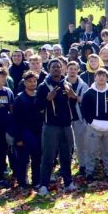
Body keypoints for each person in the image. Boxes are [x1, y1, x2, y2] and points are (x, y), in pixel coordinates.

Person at [39, 60, 79, 190]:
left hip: (66, 125)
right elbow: (37, 107)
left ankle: (68, 183)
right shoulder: (43, 86)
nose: (56, 69)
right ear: (49, 69)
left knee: (66, 156)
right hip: (51, 126)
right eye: (53, 67)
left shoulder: (67, 84)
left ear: (62, 69)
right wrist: (47, 99)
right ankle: (44, 185)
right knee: (48, 157)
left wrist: (73, 96)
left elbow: (72, 104)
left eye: (58, 67)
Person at [81, 68, 108, 178]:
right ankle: (89, 172)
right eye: (99, 75)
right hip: (93, 127)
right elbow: (84, 109)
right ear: (95, 78)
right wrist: (91, 122)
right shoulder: (88, 93)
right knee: (91, 151)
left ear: (107, 78)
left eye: (104, 76)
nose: (101, 78)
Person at [10, 71, 45, 193]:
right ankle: (22, 183)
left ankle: (36, 181)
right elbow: (15, 120)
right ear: (24, 83)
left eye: (34, 81)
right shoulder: (19, 98)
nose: (32, 83)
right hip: (24, 132)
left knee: (37, 158)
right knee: (23, 160)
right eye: (30, 81)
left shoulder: (39, 96)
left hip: (38, 132)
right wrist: (18, 138)